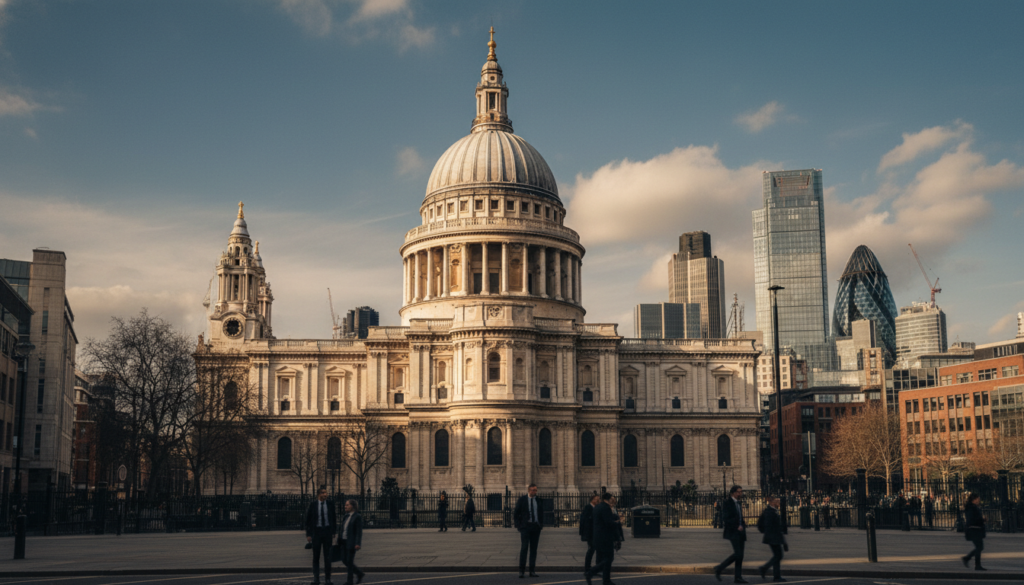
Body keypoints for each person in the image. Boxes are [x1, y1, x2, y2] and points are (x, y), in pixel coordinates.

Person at [714, 485, 749, 584]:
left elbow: (739, 516)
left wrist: (743, 524)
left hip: (741, 532)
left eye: (741, 491)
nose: (740, 493)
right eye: (738, 492)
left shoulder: (738, 502)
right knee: (738, 553)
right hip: (733, 531)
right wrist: (737, 525)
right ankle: (720, 568)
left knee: (740, 556)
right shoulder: (727, 503)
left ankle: (738, 577)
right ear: (733, 493)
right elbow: (726, 518)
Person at [585, 492, 620, 585]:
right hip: (605, 537)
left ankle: (606, 580)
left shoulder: (597, 507)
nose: (612, 501)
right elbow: (608, 523)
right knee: (608, 558)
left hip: (597, 537)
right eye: (611, 499)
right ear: (607, 499)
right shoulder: (605, 508)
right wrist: (617, 522)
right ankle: (591, 571)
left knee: (604, 559)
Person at [305, 488, 337, 585]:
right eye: (324, 493)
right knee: (316, 557)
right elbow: (308, 520)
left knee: (328, 557)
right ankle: (316, 578)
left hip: (327, 532)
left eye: (326, 493)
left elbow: (333, 518)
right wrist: (308, 534)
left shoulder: (330, 504)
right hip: (317, 533)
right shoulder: (313, 505)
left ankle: (328, 579)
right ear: (319, 494)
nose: (326, 494)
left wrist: (333, 531)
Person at [514, 483, 544, 578]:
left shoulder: (539, 500)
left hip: (535, 527)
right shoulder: (522, 500)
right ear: (528, 490)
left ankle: (532, 571)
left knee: (533, 550)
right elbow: (516, 513)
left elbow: (541, 513)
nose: (534, 492)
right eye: (532, 490)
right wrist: (519, 526)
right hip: (525, 527)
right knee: (524, 548)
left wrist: (540, 525)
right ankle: (521, 571)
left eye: (535, 490)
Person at [757, 495, 787, 582]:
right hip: (773, 538)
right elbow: (764, 524)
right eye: (777, 501)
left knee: (777, 556)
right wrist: (767, 533)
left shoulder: (771, 511)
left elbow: (760, 523)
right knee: (778, 556)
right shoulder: (769, 512)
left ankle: (776, 576)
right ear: (772, 502)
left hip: (773, 537)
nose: (779, 503)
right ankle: (764, 568)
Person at [961, 493, 987, 571]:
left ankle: (972, 562)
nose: (979, 500)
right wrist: (982, 520)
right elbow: (972, 519)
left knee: (979, 547)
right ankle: (970, 560)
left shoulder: (972, 507)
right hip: (973, 530)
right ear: (974, 499)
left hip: (975, 529)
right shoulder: (971, 508)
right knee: (979, 547)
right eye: (978, 499)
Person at [579, 494, 600, 576]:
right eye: (597, 499)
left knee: (594, 550)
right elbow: (586, 520)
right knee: (591, 550)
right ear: (593, 500)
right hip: (590, 533)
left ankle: (592, 568)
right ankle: (587, 568)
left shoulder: (594, 508)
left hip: (594, 533)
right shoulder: (588, 507)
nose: (598, 501)